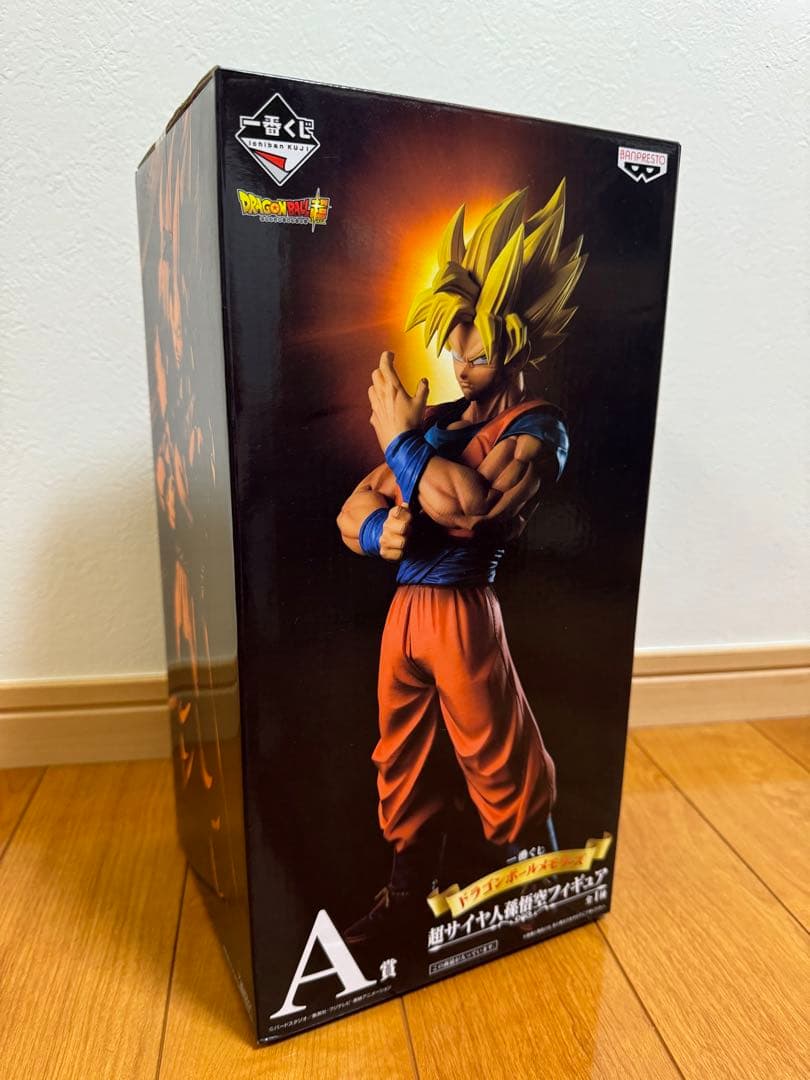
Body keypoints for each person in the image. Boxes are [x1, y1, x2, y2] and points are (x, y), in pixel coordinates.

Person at [336, 185, 586, 943]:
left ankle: (538, 889)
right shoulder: (439, 422)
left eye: (477, 354)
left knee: (499, 758)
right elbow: (352, 508)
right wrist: (379, 529)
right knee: (399, 759)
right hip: (405, 612)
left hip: (462, 608)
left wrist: (399, 441)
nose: (461, 366)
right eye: (455, 349)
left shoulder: (536, 429)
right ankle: (406, 899)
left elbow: (470, 510)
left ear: (517, 347)